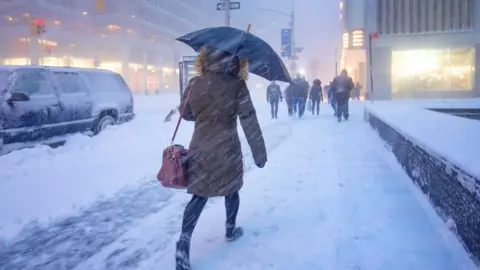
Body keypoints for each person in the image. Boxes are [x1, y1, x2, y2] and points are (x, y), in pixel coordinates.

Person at [176, 46, 267, 270]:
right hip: (227, 148)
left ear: (206, 58)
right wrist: (259, 153)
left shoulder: (195, 83)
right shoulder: (237, 85)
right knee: (232, 189)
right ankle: (229, 229)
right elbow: (248, 119)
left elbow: (186, 114)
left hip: (201, 148)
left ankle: (183, 242)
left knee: (198, 195)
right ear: (235, 61)